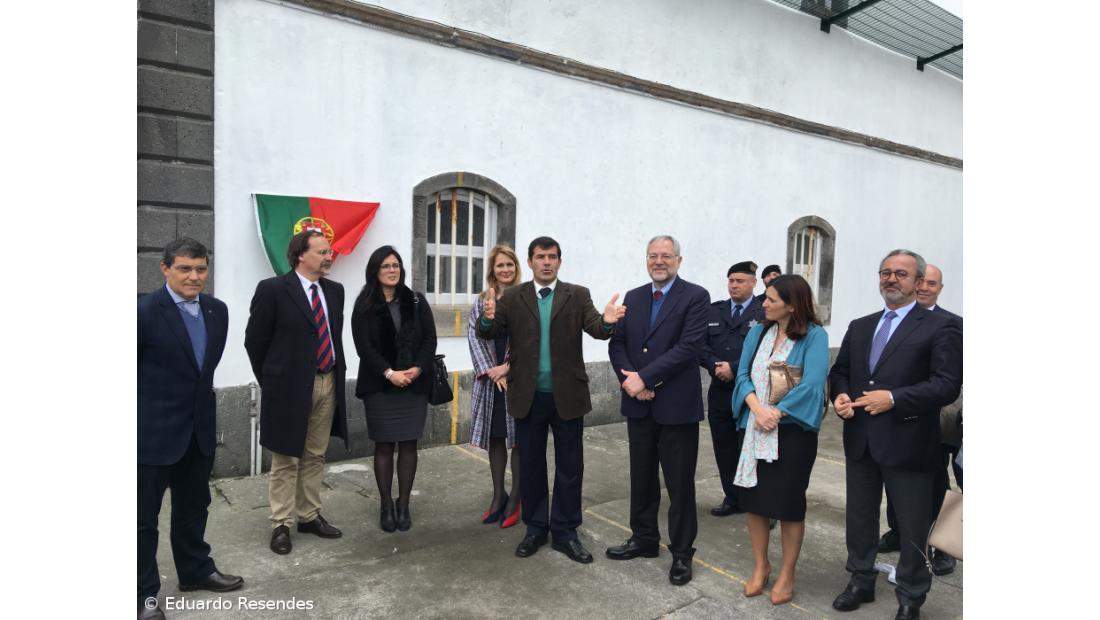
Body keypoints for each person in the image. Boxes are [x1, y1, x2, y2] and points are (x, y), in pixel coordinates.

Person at [829, 249, 962, 620]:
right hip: (861, 441)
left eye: (901, 273)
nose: (891, 279)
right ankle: (860, 579)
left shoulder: (941, 326)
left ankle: (911, 593)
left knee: (912, 522)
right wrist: (838, 393)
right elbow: (840, 372)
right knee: (860, 517)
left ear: (918, 281)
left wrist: (893, 398)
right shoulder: (860, 324)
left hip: (909, 442)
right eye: (885, 272)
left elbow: (947, 385)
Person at [477, 236, 625, 564]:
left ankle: (565, 531)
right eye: (541, 257)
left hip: (567, 395)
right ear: (529, 262)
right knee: (530, 465)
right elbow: (488, 330)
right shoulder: (514, 297)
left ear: (560, 262)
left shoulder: (577, 295)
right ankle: (535, 528)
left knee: (570, 466)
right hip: (527, 395)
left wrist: (609, 322)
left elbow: (596, 328)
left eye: (553, 257)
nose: (547, 262)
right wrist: (487, 317)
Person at [138, 238, 243, 619]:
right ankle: (142, 595)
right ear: (165, 269)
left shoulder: (218, 311)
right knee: (141, 519)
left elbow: (203, 372)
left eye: (200, 269)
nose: (194, 276)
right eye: (184, 268)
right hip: (151, 434)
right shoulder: (144, 311)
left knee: (194, 507)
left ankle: (195, 570)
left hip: (198, 429)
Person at [606, 235, 710, 586]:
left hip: (676, 407)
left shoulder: (695, 297)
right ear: (646, 260)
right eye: (653, 256)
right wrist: (630, 381)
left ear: (679, 260)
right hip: (638, 404)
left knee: (679, 484)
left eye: (666, 256)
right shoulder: (634, 297)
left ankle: (682, 553)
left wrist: (646, 378)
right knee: (642, 476)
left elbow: (689, 347)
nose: (659, 261)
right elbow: (617, 343)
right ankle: (644, 538)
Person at [245, 229, 349, 555]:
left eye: (329, 251)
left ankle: (308, 515)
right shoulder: (274, 289)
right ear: (301, 254)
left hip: (327, 380)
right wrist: (273, 380)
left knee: (315, 454)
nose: (329, 256)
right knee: (286, 456)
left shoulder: (334, 291)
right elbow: (255, 340)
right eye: (322, 251)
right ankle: (281, 523)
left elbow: (333, 334)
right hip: (287, 387)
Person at [731, 275, 829, 606]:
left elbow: (813, 384)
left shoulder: (815, 337)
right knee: (754, 501)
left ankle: (788, 572)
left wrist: (777, 413)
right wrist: (758, 409)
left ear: (792, 304)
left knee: (788, 504)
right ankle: (761, 565)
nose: (764, 303)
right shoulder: (758, 331)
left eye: (771, 299)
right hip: (755, 426)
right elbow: (742, 375)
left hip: (791, 433)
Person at [880, 264, 964, 578]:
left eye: (932, 283)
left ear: (940, 288)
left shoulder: (953, 324)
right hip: (902, 418)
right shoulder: (894, 323)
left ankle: (942, 545)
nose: (925, 287)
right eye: (922, 282)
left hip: (946, 419)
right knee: (897, 476)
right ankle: (898, 530)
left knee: (942, 481)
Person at [351, 246, 437, 532]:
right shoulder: (364, 305)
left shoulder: (415, 300)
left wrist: (419, 368)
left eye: (396, 265)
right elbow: (364, 347)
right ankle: (386, 504)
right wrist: (389, 373)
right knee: (385, 445)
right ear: (375, 270)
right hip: (380, 386)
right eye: (386, 265)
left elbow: (430, 341)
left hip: (413, 385)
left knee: (409, 445)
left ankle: (404, 505)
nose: (392, 270)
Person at [699, 261, 765, 517]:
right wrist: (716, 365)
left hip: (751, 393)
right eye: (731, 281)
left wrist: (734, 368)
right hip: (720, 390)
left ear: (753, 283)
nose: (734, 285)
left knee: (753, 448)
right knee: (724, 446)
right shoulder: (714, 311)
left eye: (740, 281)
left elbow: (766, 350)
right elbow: (699, 345)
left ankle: (760, 504)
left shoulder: (764, 312)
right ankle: (733, 496)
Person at [467, 245, 523, 528]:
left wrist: (509, 369)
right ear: (493, 270)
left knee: (519, 440)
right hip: (492, 383)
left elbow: (532, 341)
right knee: (496, 437)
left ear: (516, 268)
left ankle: (516, 497)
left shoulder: (525, 299)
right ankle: (498, 494)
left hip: (518, 381)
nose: (505, 270)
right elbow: (474, 337)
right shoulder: (482, 301)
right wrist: (493, 372)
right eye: (500, 265)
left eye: (509, 265)